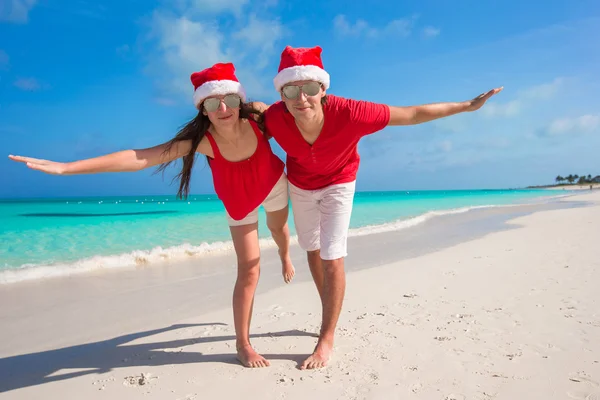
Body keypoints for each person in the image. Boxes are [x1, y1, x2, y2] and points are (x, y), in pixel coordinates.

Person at [8, 62, 295, 368]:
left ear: (240, 100)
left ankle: (285, 255)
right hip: (239, 203)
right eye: (213, 102)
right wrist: (67, 168)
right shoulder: (202, 143)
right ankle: (244, 344)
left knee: (279, 232)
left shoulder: (259, 119)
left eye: (230, 99)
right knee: (250, 271)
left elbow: (301, 117)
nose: (223, 108)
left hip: (273, 185)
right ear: (204, 109)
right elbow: (138, 158)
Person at [254, 45, 503, 370]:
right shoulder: (276, 117)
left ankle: (326, 337)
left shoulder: (352, 113)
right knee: (312, 249)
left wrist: (467, 106)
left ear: (323, 89)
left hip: (339, 183)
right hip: (301, 186)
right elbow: (246, 119)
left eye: (310, 89)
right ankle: (329, 305)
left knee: (332, 255)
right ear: (282, 94)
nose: (302, 99)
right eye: (291, 90)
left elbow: (411, 114)